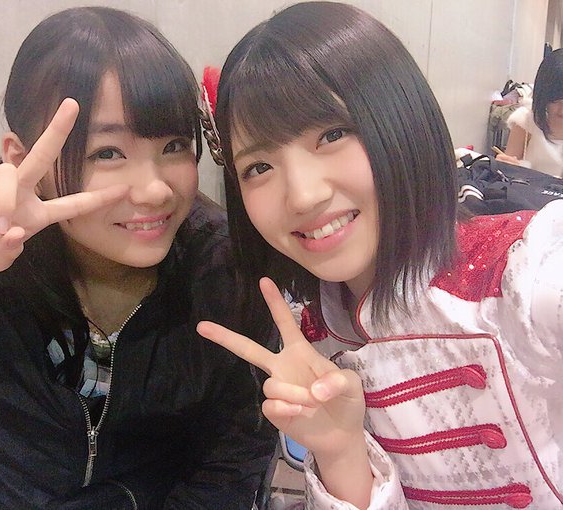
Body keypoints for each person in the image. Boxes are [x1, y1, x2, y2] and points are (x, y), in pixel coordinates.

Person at [0, 7, 276, 509]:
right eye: (107, 153)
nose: (156, 190)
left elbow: (236, 451)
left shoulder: (224, 268)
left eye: (175, 145)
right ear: (22, 158)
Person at [196, 2, 563, 509]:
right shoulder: (309, 338)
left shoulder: (520, 270)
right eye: (259, 167)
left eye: (331, 135)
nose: (302, 195)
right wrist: (340, 452)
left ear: (402, 120)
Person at [497, 48, 563, 177]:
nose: (562, 110)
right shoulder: (526, 120)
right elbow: (507, 173)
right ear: (543, 95)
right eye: (555, 101)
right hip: (528, 189)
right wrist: (506, 165)